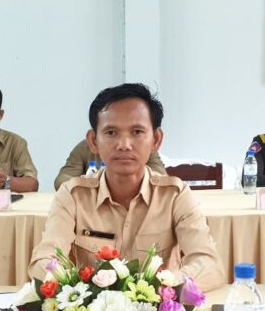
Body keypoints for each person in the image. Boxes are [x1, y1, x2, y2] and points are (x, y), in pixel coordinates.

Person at [29, 83, 225, 291]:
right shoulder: (73, 195)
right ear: (93, 141)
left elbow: (210, 266)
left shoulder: (175, 195)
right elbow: (43, 263)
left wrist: (157, 289)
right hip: (93, 309)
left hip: (158, 307)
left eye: (137, 132)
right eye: (111, 132)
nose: (124, 144)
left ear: (156, 139)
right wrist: (82, 292)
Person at [54, 138, 166, 190]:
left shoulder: (146, 148)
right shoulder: (86, 147)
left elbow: (161, 178)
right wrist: (93, 185)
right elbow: (62, 180)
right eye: (111, 132)